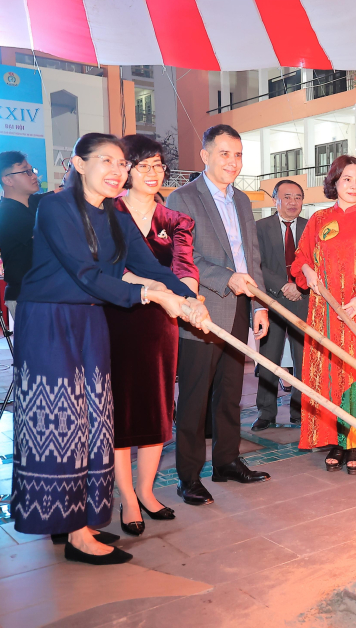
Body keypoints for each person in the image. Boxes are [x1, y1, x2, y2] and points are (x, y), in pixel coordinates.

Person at [12, 133, 208, 564]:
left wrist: (191, 300)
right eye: (106, 161)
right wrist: (150, 296)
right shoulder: (56, 208)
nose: (117, 171)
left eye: (122, 163)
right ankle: (74, 532)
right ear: (79, 164)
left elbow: (149, 266)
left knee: (93, 420)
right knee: (60, 421)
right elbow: (84, 272)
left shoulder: (114, 215)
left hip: (90, 320)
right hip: (49, 321)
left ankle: (73, 519)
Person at [167, 124, 271, 506]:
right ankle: (188, 477)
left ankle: (227, 461)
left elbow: (252, 258)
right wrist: (228, 277)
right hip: (202, 307)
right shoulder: (182, 198)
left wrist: (259, 303)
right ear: (205, 155)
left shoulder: (243, 200)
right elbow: (184, 258)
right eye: (224, 153)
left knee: (230, 392)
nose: (232, 162)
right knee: (194, 398)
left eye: (238, 154)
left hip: (241, 304)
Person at [103, 135, 200, 536]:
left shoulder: (175, 220)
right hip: (117, 318)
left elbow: (184, 267)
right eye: (143, 165)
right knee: (122, 411)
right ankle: (126, 496)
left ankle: (146, 490)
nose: (152, 173)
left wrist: (193, 301)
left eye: (158, 165)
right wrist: (160, 292)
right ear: (126, 170)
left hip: (162, 325)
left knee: (158, 406)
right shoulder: (107, 213)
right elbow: (111, 270)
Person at [292, 156, 356, 474]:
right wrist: (307, 269)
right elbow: (301, 256)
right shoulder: (318, 219)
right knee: (330, 374)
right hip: (325, 311)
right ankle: (335, 440)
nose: (354, 185)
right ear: (334, 182)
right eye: (347, 179)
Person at [252, 180, 309, 431]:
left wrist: (299, 285)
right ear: (275, 199)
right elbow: (255, 264)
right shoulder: (259, 227)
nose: (293, 202)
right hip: (271, 301)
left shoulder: (311, 227)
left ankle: (301, 411)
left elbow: (317, 262)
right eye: (287, 197)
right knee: (269, 359)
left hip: (303, 300)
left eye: (298, 197)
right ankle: (266, 412)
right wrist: (283, 285)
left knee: (303, 359)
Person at [0, 151, 44, 322]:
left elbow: (63, 192)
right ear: (8, 180)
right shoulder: (6, 212)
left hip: (47, 291)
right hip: (26, 295)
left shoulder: (36, 202)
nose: (33, 175)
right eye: (25, 172)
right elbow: (49, 239)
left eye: (31, 170)